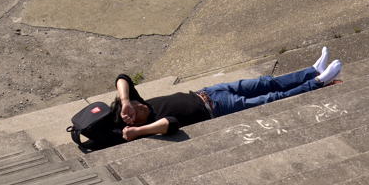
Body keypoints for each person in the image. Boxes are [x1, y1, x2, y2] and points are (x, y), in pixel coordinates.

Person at [112, 49, 341, 141]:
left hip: (210, 92)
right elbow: (171, 124)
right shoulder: (151, 124)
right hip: (219, 107)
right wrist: (139, 131)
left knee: (266, 82)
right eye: (135, 110)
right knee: (272, 98)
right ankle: (317, 83)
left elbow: (122, 77)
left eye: (135, 102)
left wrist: (125, 101)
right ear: (132, 122)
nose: (138, 105)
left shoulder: (136, 104)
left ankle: (312, 71)